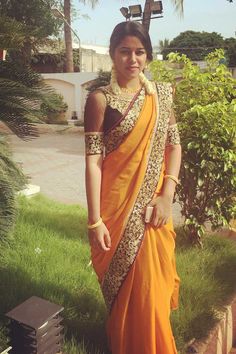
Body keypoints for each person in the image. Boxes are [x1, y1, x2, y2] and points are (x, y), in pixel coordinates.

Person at [84, 21, 181, 354]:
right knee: (125, 295)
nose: (133, 59)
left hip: (151, 211)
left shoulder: (162, 97)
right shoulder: (99, 100)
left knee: (151, 296)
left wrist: (167, 197)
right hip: (114, 212)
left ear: (149, 56)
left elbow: (174, 147)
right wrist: (95, 221)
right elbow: (93, 163)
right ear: (112, 55)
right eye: (125, 51)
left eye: (140, 52)